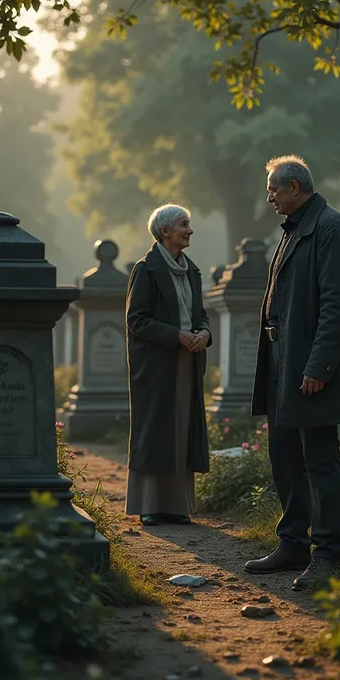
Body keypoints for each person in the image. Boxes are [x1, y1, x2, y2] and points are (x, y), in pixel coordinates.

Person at [246, 155, 340, 590]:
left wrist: (320, 365)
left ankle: (328, 554)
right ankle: (293, 543)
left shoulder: (331, 228)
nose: (269, 197)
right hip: (284, 362)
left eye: (273, 190)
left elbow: (338, 305)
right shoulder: (296, 227)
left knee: (319, 461)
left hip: (310, 366)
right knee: (285, 458)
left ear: (294, 186)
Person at [125, 203, 211, 526]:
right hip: (157, 366)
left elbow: (200, 315)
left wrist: (204, 333)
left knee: (182, 430)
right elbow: (137, 320)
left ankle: (176, 505)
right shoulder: (145, 270)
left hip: (188, 363)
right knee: (156, 431)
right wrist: (177, 335)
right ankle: (150, 504)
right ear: (164, 231)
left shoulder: (193, 271)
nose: (190, 230)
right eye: (183, 224)